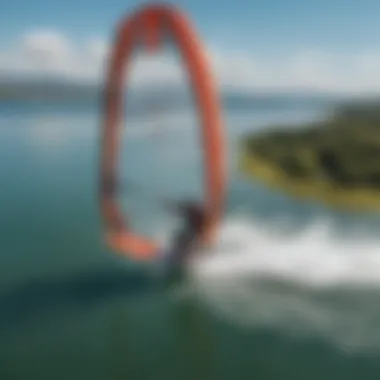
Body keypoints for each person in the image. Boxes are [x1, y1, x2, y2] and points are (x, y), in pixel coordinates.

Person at [161, 200, 206, 283]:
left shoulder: (199, 218)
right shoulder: (193, 215)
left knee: (185, 241)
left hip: (194, 234)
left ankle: (183, 255)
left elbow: (201, 235)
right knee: (179, 238)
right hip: (191, 232)